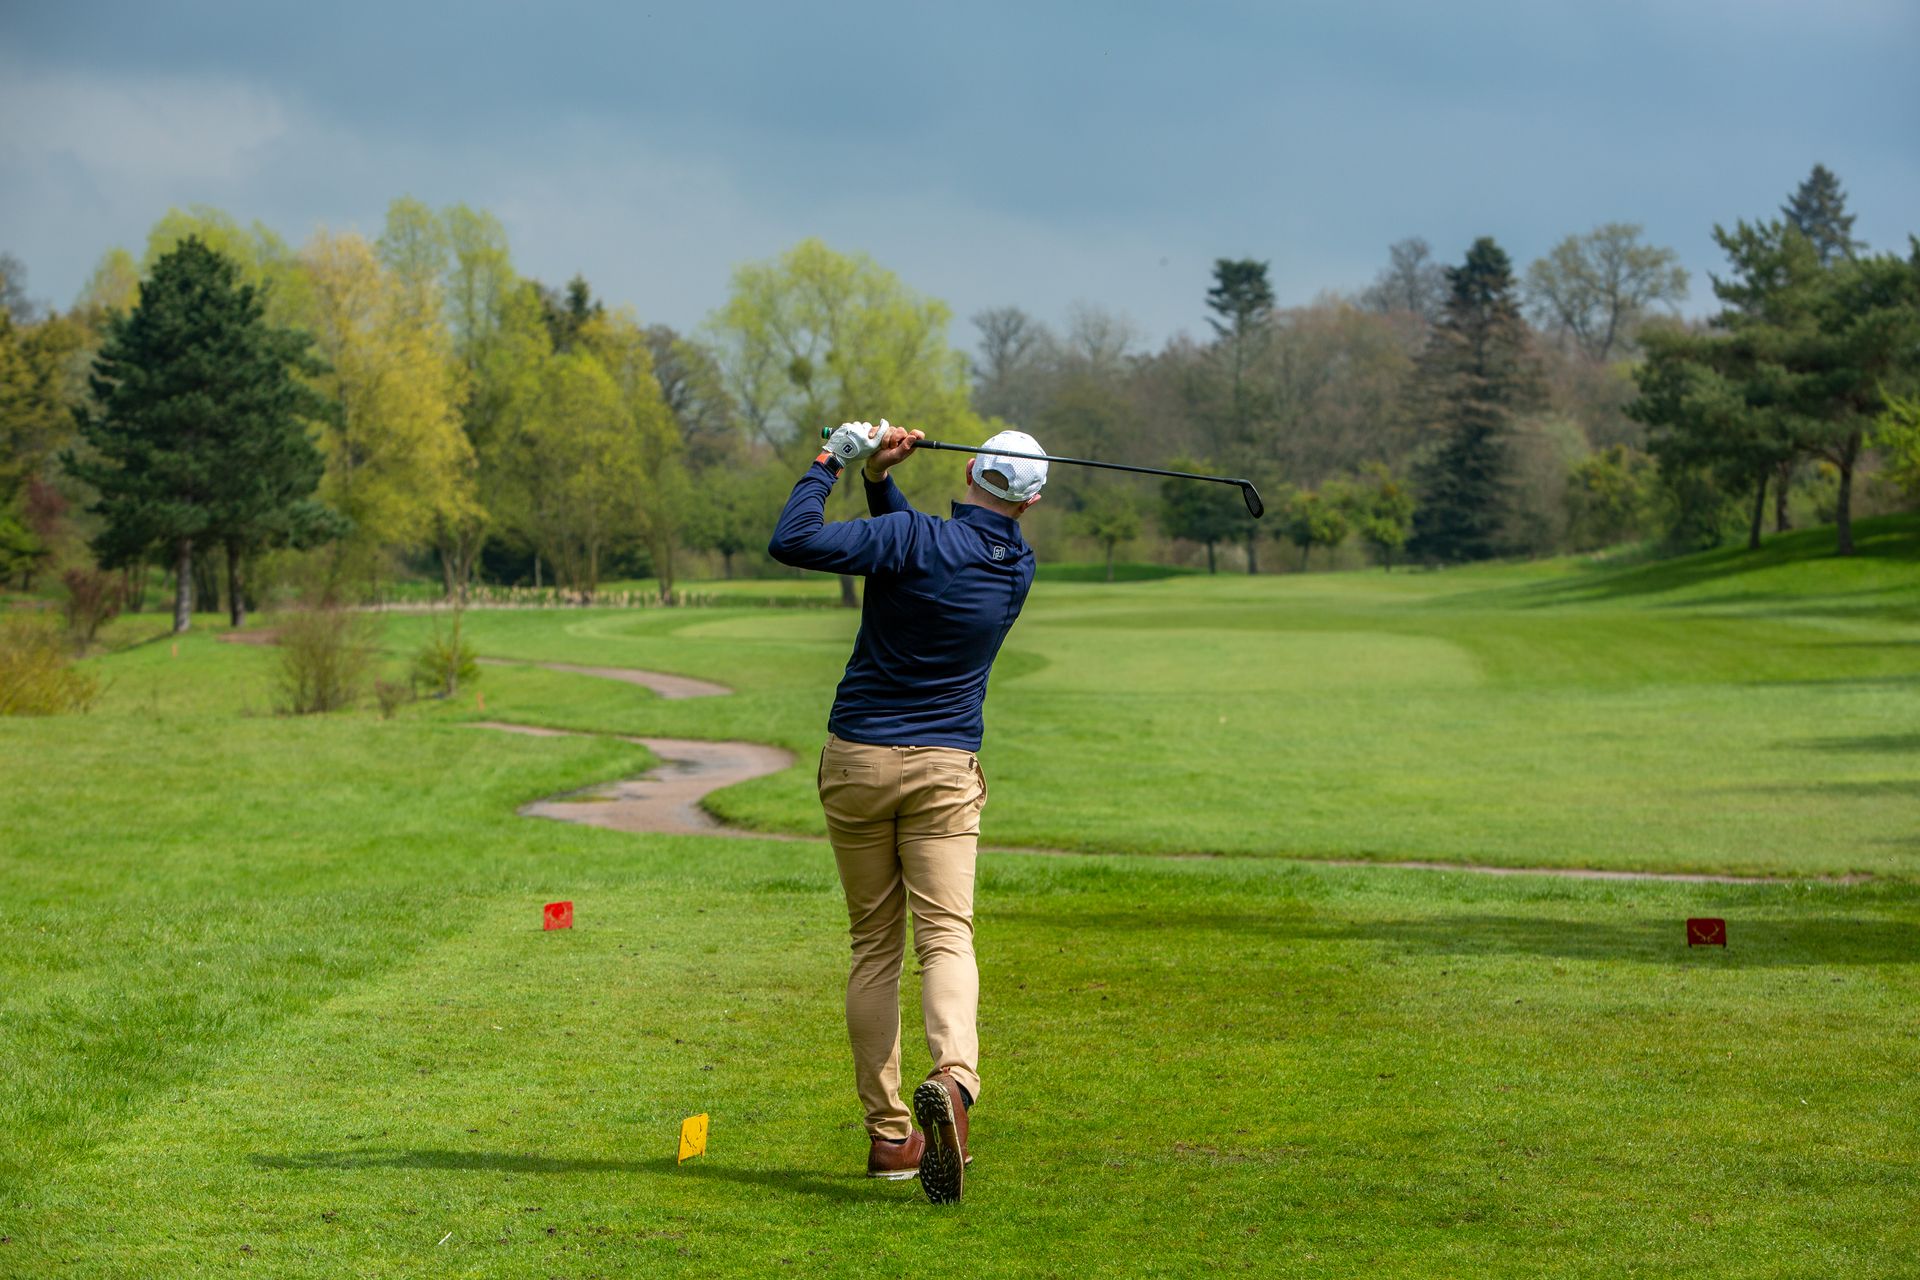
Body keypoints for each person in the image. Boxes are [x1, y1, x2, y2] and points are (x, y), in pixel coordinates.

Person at [767, 419, 1046, 1204]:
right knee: (946, 936)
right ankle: (954, 1083)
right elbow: (918, 544)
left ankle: (891, 1138)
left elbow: (794, 540)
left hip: (856, 762)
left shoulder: (913, 540)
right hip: (944, 772)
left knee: (874, 947)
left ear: (969, 476)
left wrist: (835, 459)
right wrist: (880, 484)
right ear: (1031, 501)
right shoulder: (1016, 565)